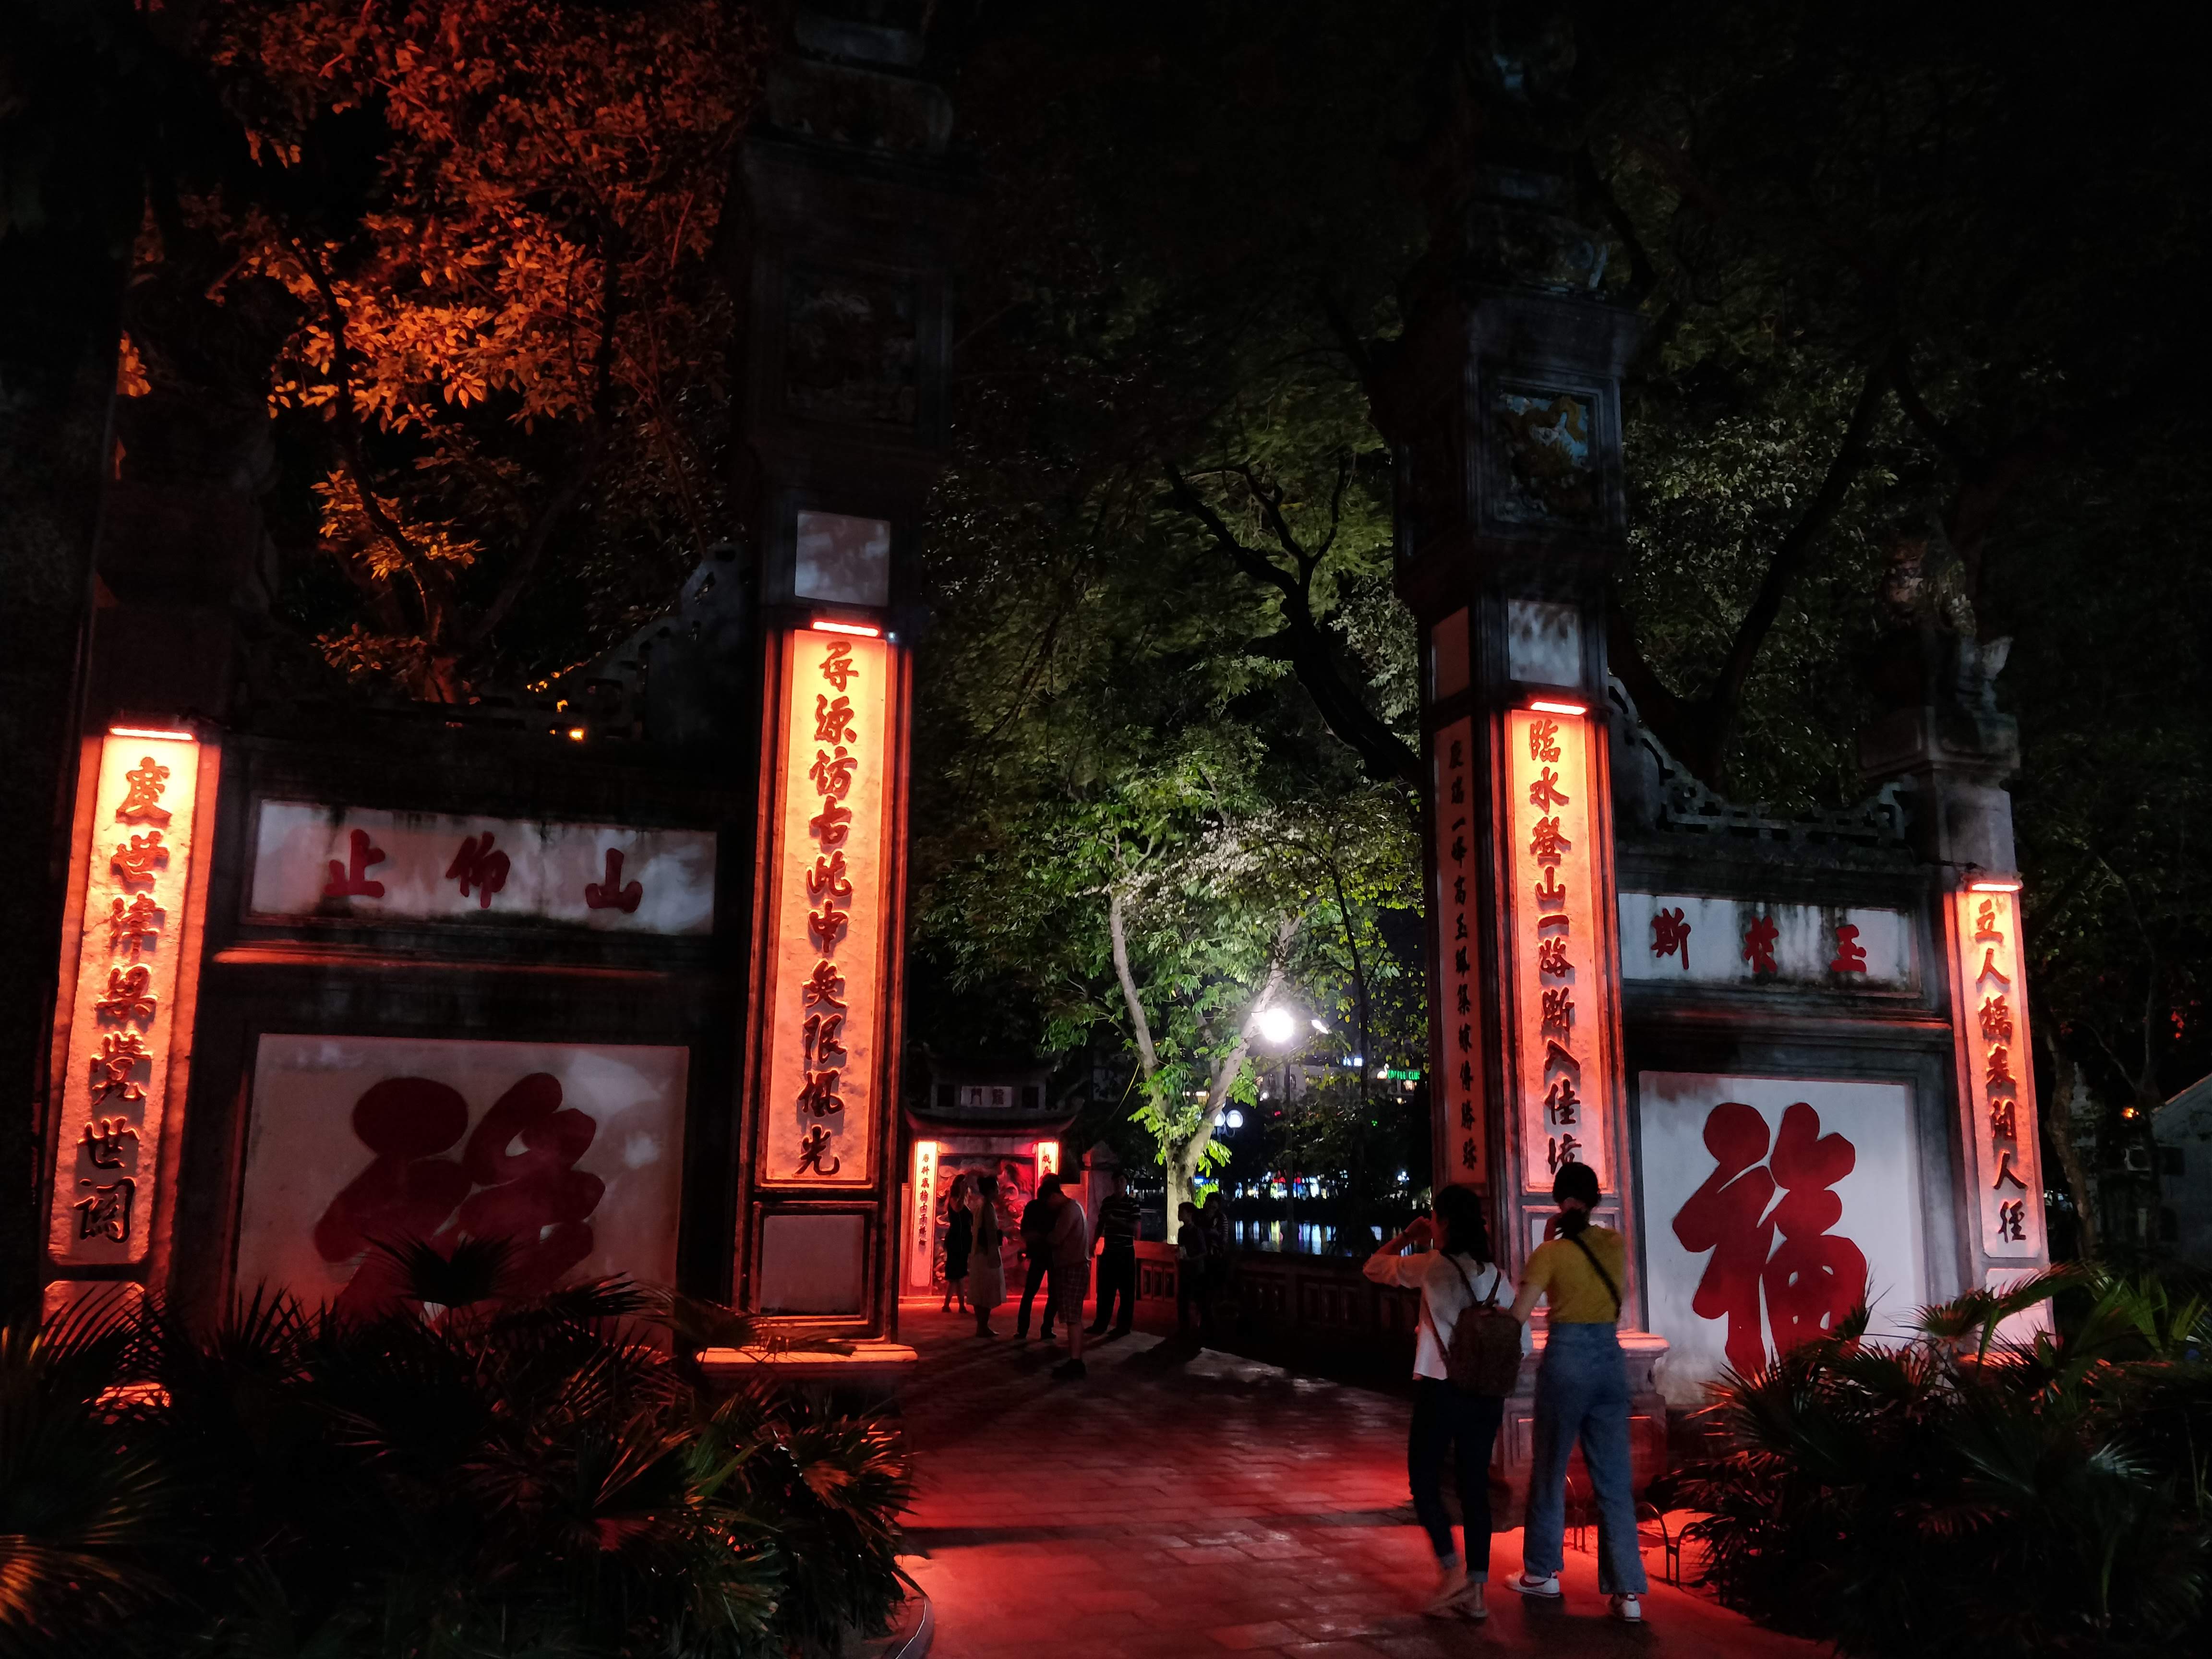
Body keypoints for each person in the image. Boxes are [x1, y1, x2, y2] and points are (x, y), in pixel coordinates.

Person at [1505, 1161, 1649, 1623]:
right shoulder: (1614, 1244)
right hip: (1610, 1359)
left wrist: (1549, 1244)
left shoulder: (1551, 1253)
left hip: (1566, 1359)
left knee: (1549, 1469)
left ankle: (1542, 1573)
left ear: (1558, 1201)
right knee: (1614, 1481)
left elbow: (1519, 1315)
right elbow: (1617, 1294)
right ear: (1595, 1201)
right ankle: (1628, 1593)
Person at [1364, 1186, 1514, 1619]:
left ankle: (1452, 1571)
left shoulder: (1432, 1265)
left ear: (1443, 1222)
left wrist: (1409, 1236)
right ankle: (1478, 1590)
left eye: (1434, 1216)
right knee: (1475, 1489)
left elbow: (1373, 1267)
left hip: (1440, 1386)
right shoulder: (1499, 1277)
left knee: (1424, 1481)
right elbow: (1519, 1339)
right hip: (1487, 1395)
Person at [1042, 1175, 1091, 1379]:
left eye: (1048, 1202)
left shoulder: (1069, 1210)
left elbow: (1057, 1237)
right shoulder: (1073, 1208)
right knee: (1072, 1317)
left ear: (1053, 1196)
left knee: (1073, 1318)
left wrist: (1042, 1238)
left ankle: (1076, 1361)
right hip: (1075, 1266)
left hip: (1074, 1267)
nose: (1048, 1207)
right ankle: (1075, 1360)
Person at [1087, 1168, 1141, 1338]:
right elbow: (1100, 1224)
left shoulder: (1132, 1204)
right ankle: (1101, 1324)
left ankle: (1123, 1327)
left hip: (1125, 1252)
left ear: (1126, 1185)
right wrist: (1093, 1243)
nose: (1119, 1185)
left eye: (1122, 1182)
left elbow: (1135, 1228)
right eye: (1116, 1181)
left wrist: (1115, 1220)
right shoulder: (1107, 1202)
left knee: (1126, 1292)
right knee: (1105, 1291)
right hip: (1109, 1251)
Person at [1014, 1178, 1059, 1342]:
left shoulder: (1035, 1207)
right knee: (1052, 1294)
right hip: (1050, 1254)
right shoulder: (1055, 1209)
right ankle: (1046, 1328)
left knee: (1031, 1293)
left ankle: (1023, 1330)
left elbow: (1025, 1230)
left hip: (1041, 1254)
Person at [967, 1174, 1006, 1337]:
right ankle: (982, 1326)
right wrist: (994, 1254)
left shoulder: (980, 1206)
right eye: (996, 1187)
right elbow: (990, 1233)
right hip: (986, 1254)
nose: (998, 1191)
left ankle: (981, 1326)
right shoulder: (987, 1207)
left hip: (978, 1253)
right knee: (986, 1291)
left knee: (980, 1291)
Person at [1174, 1200, 1211, 1339]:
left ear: (1189, 1214)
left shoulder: (1197, 1231)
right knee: (1182, 1300)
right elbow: (1182, 1247)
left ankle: (1202, 1328)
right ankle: (1184, 1328)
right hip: (1185, 1269)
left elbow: (1204, 1252)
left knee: (1199, 1300)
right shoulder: (1181, 1231)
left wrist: (1191, 1258)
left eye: (1181, 1212)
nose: (1179, 1214)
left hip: (1196, 1270)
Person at [940, 1173, 972, 1313]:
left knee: (960, 1274)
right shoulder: (954, 1199)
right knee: (954, 1274)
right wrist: (963, 1193)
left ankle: (960, 1306)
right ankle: (949, 1305)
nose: (965, 1186)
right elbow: (957, 1209)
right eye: (963, 1184)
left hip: (963, 1239)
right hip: (955, 1240)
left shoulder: (965, 1200)